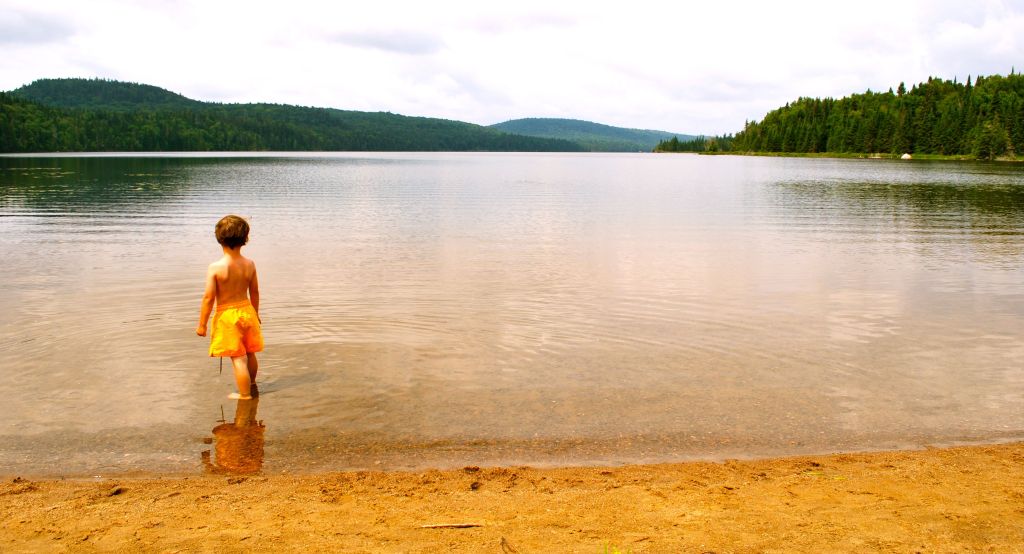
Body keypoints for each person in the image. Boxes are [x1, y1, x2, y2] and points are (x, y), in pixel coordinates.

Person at [196, 215, 263, 400]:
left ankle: (244, 396)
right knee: (250, 353)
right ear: (245, 239)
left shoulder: (216, 268)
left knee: (238, 358)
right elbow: (255, 292)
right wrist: (255, 314)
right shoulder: (249, 264)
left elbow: (209, 298)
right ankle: (251, 384)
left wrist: (202, 324)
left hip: (227, 315)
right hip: (247, 311)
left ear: (219, 239)